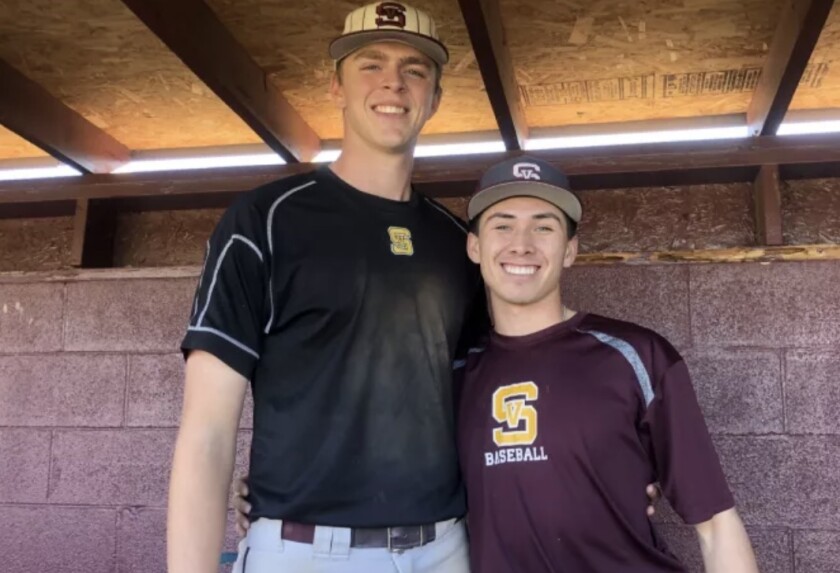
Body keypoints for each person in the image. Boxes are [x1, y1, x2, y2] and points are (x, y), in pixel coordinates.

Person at [169, 3, 483, 572]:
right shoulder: (264, 221)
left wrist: (604, 469)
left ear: (435, 97)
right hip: (306, 551)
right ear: (335, 86)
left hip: (443, 549)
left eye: (415, 68)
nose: (393, 81)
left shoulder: (459, 243)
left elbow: (499, 395)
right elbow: (207, 435)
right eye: (371, 64)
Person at [456, 155, 759, 572]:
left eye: (544, 226)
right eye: (502, 224)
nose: (521, 243)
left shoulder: (636, 356)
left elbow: (716, 524)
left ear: (569, 251)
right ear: (475, 246)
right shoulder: (458, 378)